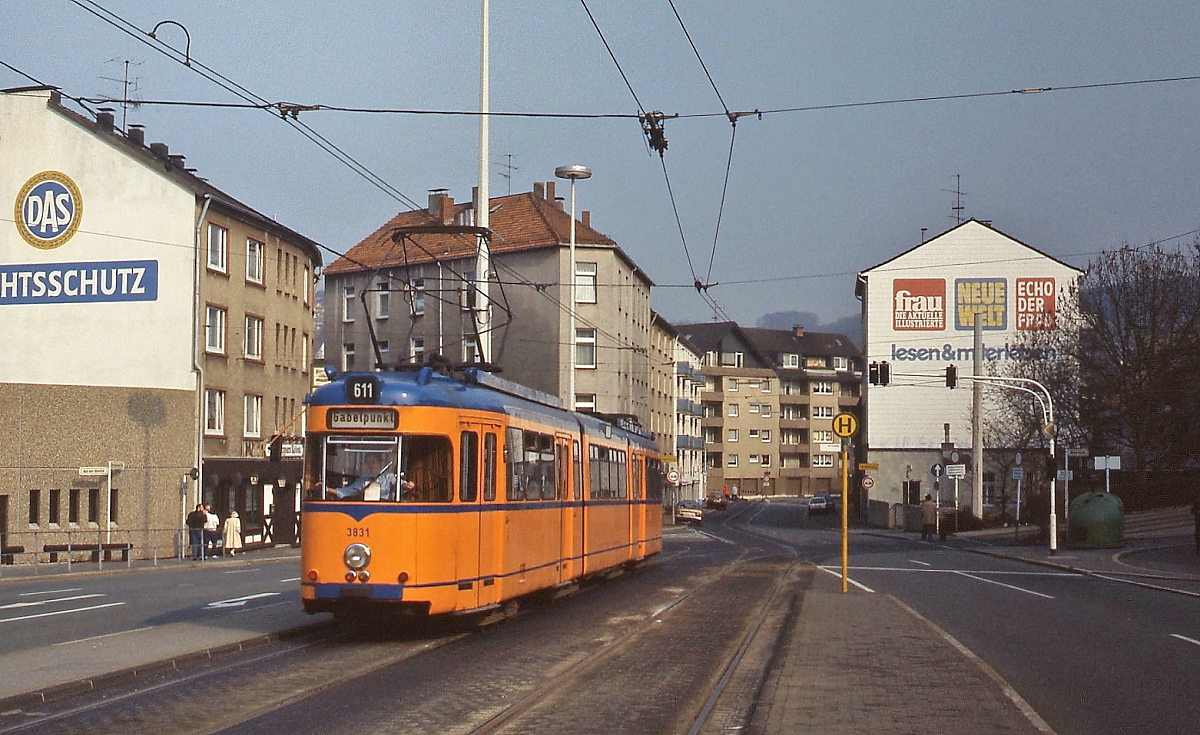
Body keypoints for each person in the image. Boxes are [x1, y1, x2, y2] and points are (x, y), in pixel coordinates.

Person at [330, 456, 397, 501]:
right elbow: (349, 491)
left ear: (380, 463)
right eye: (368, 463)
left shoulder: (389, 477)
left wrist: (404, 485)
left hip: (385, 509)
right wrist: (327, 489)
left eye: (373, 462)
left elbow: (400, 484)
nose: (371, 465)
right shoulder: (363, 479)